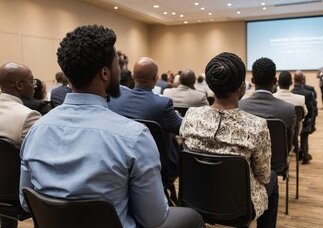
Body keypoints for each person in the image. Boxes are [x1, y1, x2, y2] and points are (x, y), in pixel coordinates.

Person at [19, 24, 203, 228]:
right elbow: (154, 219)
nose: (122, 71)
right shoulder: (135, 137)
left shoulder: (36, 129)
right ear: (105, 73)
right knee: (193, 217)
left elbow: (25, 202)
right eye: (118, 65)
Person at [180, 52, 278, 228]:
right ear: (242, 87)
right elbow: (263, 176)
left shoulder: (190, 116)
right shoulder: (257, 125)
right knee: (273, 178)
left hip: (197, 197)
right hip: (239, 207)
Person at [108, 57, 183, 180]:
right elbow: (182, 127)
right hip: (156, 166)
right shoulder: (163, 104)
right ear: (155, 78)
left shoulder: (116, 98)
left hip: (121, 163)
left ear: (133, 76)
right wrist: (177, 116)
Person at [0, 62, 41, 228]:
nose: (34, 86)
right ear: (19, 85)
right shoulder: (28, 116)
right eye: (32, 82)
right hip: (16, 196)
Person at [238, 57, 296, 154]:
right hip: (277, 167)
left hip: (246, 166)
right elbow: (288, 147)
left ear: (252, 81)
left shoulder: (239, 106)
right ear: (275, 81)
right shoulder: (289, 110)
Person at [292, 71, 315, 164]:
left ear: (293, 80)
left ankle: (298, 151)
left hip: (293, 124)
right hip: (304, 122)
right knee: (305, 135)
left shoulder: (291, 93)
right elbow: (310, 111)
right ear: (303, 80)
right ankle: (305, 154)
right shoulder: (308, 93)